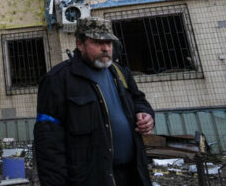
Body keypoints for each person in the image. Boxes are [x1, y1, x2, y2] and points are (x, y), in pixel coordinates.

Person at [33, 17, 154, 186]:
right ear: (80, 44)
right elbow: (48, 143)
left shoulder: (120, 72)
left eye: (109, 43)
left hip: (132, 174)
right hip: (91, 179)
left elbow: (138, 98)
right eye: (98, 42)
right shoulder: (58, 80)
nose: (105, 48)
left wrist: (145, 113)